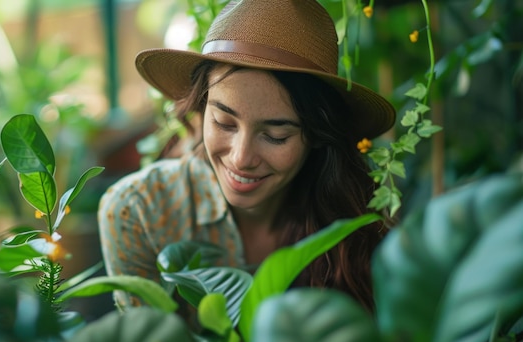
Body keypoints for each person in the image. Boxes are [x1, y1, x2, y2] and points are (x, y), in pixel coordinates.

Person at [98, 0, 396, 313]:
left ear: (318, 136)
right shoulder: (139, 210)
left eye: (275, 136)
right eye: (224, 123)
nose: (241, 159)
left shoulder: (358, 221)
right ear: (201, 108)